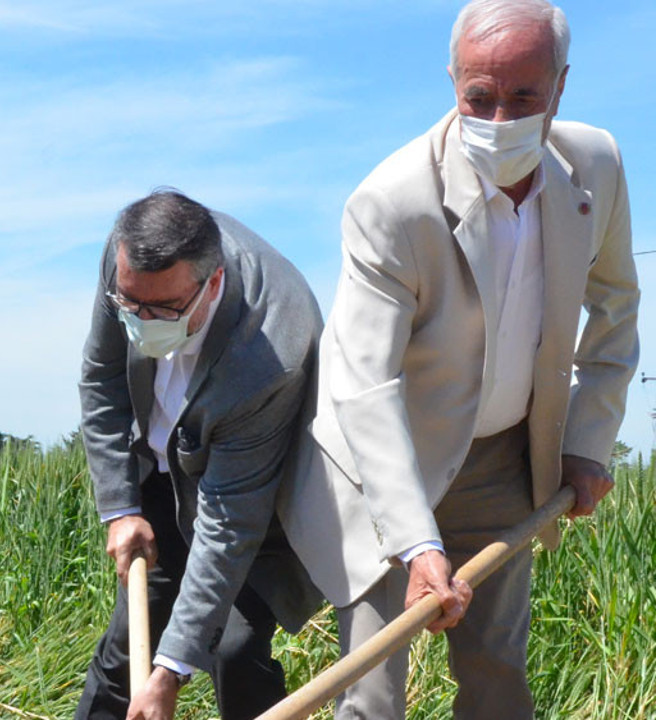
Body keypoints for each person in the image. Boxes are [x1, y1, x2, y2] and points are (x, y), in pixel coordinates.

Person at [277, 1, 639, 717]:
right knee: (373, 690)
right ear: (452, 81)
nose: (499, 119)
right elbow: (364, 385)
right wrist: (416, 543)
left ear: (561, 86)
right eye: (479, 96)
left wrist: (587, 443)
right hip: (382, 467)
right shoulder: (392, 204)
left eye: (524, 97)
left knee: (497, 671)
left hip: (503, 459)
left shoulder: (595, 166)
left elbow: (616, 307)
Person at [75, 190, 323, 720]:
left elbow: (228, 524)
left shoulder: (269, 352)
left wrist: (169, 674)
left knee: (233, 651)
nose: (142, 322)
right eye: (130, 305)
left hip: (253, 499)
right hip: (164, 474)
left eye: (162, 310)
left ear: (212, 284)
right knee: (128, 649)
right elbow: (101, 379)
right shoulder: (126, 260)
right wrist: (122, 509)